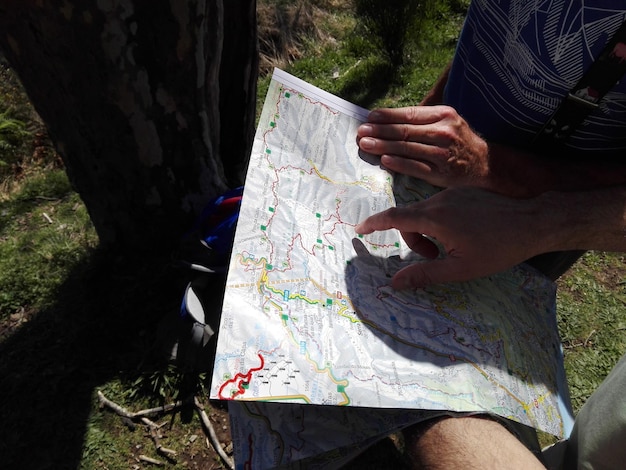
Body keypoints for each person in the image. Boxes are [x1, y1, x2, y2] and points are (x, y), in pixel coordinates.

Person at [354, 1, 626, 468]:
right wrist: (432, 111)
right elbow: (491, 36)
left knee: (434, 369)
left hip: (530, 222)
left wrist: (530, 211)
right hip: (441, 171)